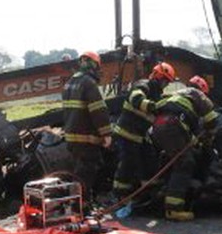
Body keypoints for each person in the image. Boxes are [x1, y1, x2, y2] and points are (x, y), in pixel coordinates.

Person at [150, 75, 218, 221]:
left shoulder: (175, 94)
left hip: (157, 127)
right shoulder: (198, 94)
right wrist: (210, 137)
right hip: (173, 126)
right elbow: (212, 119)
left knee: (170, 158)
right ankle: (174, 209)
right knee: (185, 163)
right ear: (203, 91)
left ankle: (161, 193)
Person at [112, 61, 177, 200]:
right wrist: (152, 106)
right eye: (165, 80)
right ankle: (120, 195)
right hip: (127, 133)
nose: (166, 84)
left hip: (140, 135)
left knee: (149, 160)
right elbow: (135, 98)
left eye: (168, 82)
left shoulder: (157, 94)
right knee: (128, 164)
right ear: (158, 76)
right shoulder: (143, 85)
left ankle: (149, 192)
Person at [62, 51, 112, 204]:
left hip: (72, 137)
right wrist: (106, 134)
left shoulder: (70, 82)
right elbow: (98, 110)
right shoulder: (88, 83)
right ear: (94, 65)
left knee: (79, 173)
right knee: (86, 174)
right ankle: (81, 205)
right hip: (86, 138)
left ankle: (78, 203)